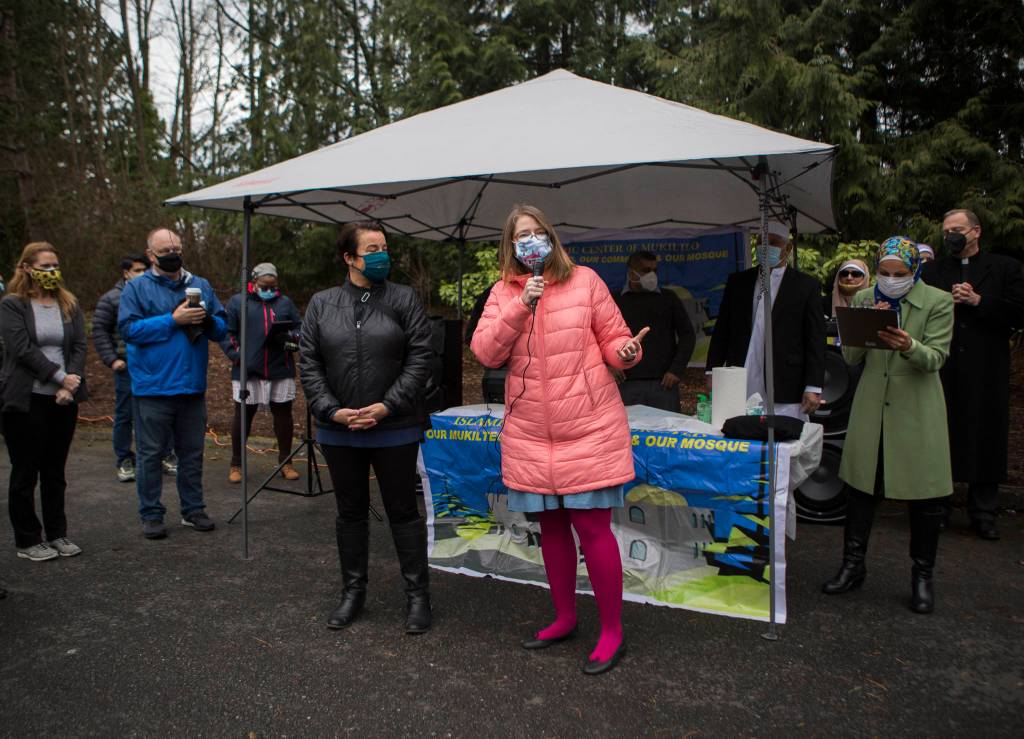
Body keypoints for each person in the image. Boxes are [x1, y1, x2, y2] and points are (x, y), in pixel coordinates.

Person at [471, 204, 647, 676]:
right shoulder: (503, 293)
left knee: (593, 531)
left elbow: (615, 338)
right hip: (531, 432)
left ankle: (612, 631)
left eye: (537, 233)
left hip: (587, 427)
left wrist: (626, 353)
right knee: (551, 530)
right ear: (510, 247)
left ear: (551, 237)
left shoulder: (585, 281)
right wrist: (518, 305)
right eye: (520, 236)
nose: (530, 241)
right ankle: (565, 617)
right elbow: (486, 351)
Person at [300, 221, 434, 634]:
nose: (382, 255)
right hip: (340, 430)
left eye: (384, 248)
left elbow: (421, 358)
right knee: (350, 513)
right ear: (349, 258)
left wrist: (387, 406)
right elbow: (309, 363)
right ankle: (352, 593)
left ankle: (417, 598)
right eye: (371, 248)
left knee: (403, 512)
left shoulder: (404, 298)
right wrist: (331, 410)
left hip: (395, 426)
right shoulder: (321, 304)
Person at [824, 237, 953, 613]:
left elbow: (936, 358)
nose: (891, 279)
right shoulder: (864, 299)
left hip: (916, 410)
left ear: (915, 271)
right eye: (884, 273)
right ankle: (852, 566)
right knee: (861, 489)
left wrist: (908, 344)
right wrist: (866, 325)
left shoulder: (938, 302)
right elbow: (850, 355)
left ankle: (922, 576)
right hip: (870, 409)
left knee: (924, 498)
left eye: (901, 274)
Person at [118, 228, 228, 540]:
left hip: (192, 386)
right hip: (153, 387)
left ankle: (193, 509)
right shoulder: (136, 289)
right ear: (151, 255)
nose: (173, 254)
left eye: (177, 247)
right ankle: (151, 513)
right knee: (151, 455)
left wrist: (207, 320)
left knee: (192, 453)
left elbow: (222, 330)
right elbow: (128, 330)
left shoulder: (200, 285)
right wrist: (172, 320)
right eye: (165, 250)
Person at [921, 209, 1024, 540]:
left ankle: (984, 512)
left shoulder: (1006, 268)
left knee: (986, 433)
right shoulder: (933, 271)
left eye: (958, 229)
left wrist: (980, 300)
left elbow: (1018, 312)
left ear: (976, 232)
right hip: (944, 364)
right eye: (946, 229)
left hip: (986, 366)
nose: (951, 234)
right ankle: (938, 506)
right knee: (941, 434)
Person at [0, 243, 87, 561]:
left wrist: (72, 381)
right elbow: (21, 349)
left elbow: (79, 344)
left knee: (55, 470)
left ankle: (57, 533)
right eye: (45, 266)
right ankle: (27, 539)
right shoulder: (13, 305)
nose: (52, 272)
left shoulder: (68, 303)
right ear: (26, 268)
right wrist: (58, 377)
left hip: (63, 400)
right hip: (26, 399)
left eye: (55, 265)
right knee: (26, 470)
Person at [706, 222, 826, 420]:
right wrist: (712, 372)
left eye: (773, 242)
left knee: (785, 442)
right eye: (762, 241)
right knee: (739, 435)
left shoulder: (805, 286)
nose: (765, 247)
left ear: (787, 248)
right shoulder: (739, 282)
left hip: (786, 381)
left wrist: (813, 386)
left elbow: (815, 339)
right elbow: (722, 330)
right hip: (741, 373)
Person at [93, 255, 177, 483]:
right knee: (125, 414)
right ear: (126, 273)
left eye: (145, 269)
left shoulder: (154, 293)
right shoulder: (111, 299)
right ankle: (124, 459)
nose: (142, 273)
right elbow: (99, 331)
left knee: (161, 413)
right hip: (126, 367)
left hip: (155, 365)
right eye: (137, 270)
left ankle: (165, 454)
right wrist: (112, 360)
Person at [221, 262, 303, 483]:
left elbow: (299, 328)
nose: (269, 290)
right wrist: (238, 356)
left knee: (284, 415)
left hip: (280, 367)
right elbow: (227, 333)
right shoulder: (238, 303)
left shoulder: (285, 302)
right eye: (264, 286)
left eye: (273, 286)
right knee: (243, 416)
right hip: (248, 370)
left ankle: (286, 462)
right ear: (253, 282)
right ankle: (236, 464)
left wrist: (291, 340)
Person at [612, 251, 695, 412]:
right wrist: (610, 365)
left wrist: (676, 370)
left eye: (654, 270)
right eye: (645, 270)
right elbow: (598, 336)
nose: (651, 275)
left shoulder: (669, 298)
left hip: (663, 384)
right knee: (626, 435)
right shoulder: (614, 300)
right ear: (631, 272)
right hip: (625, 385)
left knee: (669, 436)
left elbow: (687, 335)